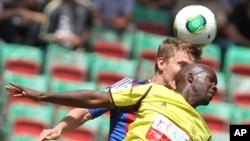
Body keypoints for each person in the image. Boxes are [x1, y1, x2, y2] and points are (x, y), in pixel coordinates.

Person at [38, 37, 203, 141]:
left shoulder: (184, 108)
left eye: (191, 68)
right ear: (161, 63)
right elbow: (86, 110)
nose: (187, 73)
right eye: (182, 65)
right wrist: (58, 128)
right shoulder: (132, 87)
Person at [5, 63, 217, 141]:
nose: (215, 87)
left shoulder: (204, 132)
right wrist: (42, 96)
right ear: (190, 78)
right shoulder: (151, 91)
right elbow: (96, 100)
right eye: (211, 80)